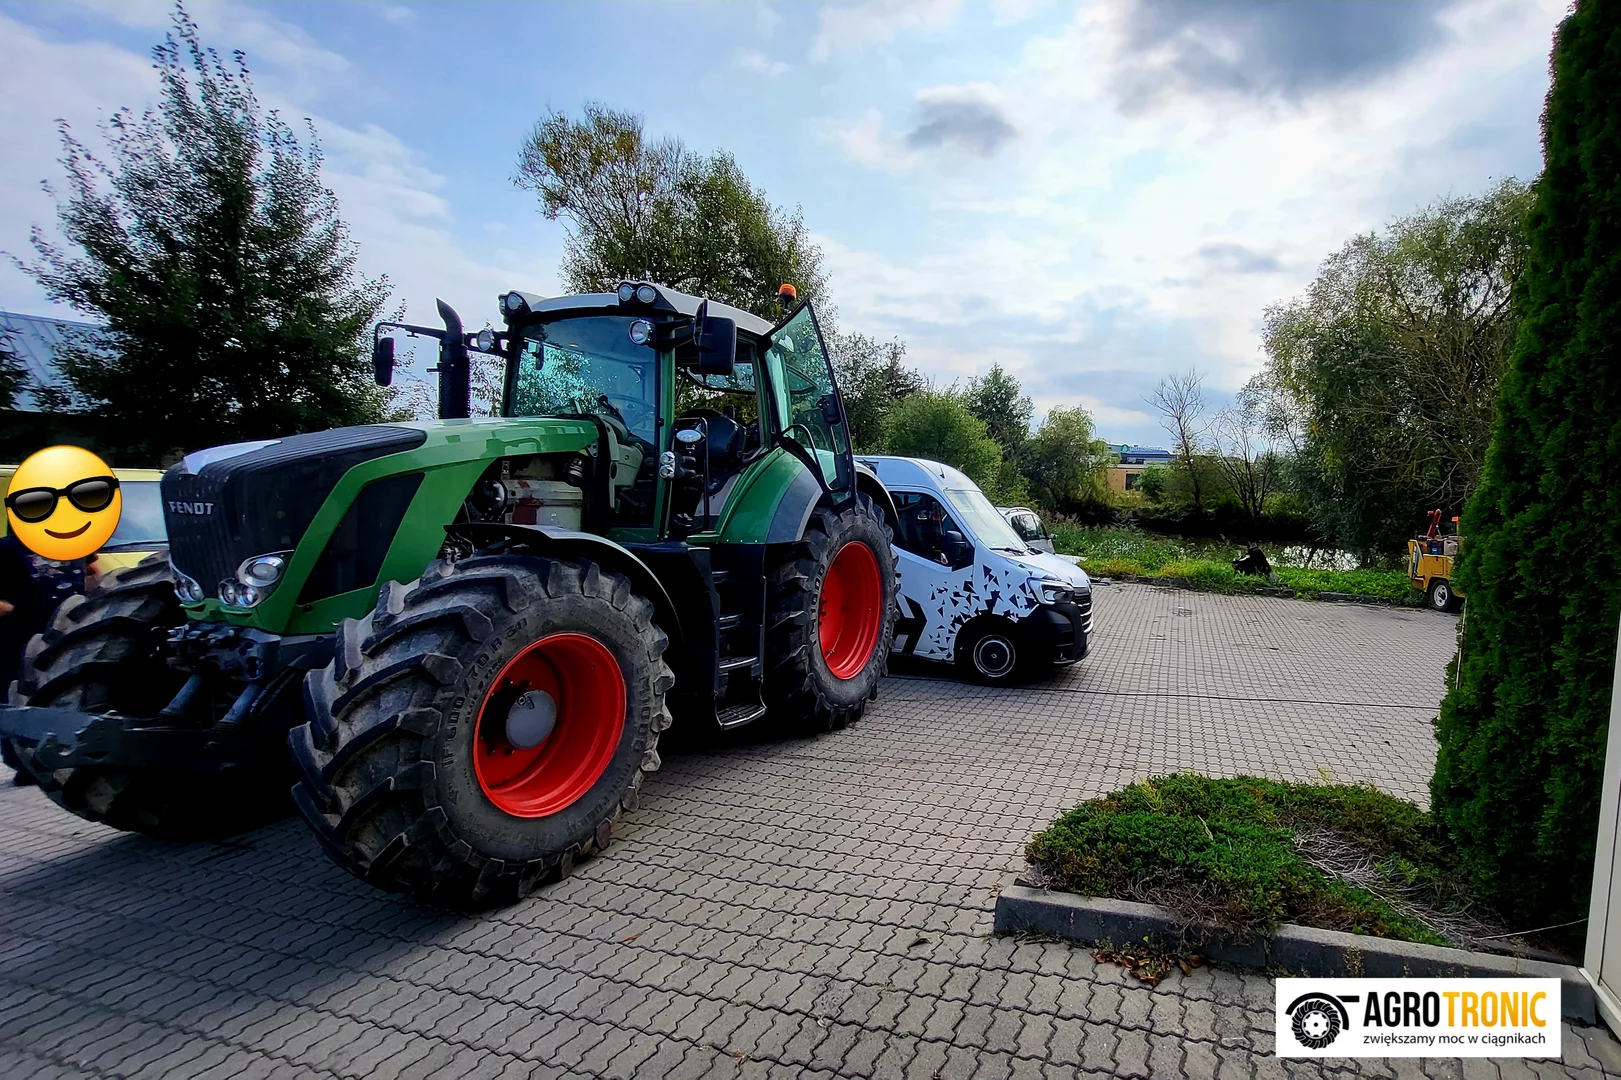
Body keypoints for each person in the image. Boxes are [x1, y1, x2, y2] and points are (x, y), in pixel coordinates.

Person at [0, 532, 44, 786]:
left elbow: (92, 570)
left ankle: (28, 761)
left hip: (39, 632)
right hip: (16, 636)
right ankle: (21, 761)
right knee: (13, 693)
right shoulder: (7, 548)